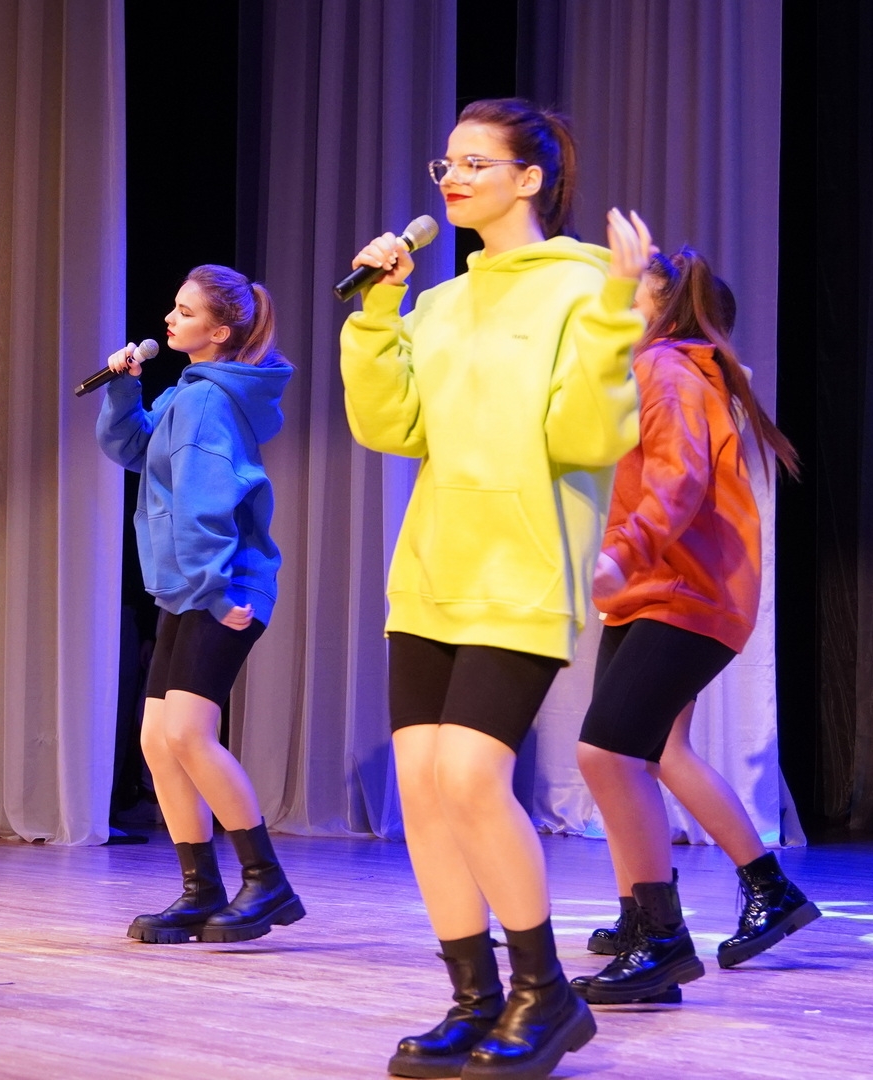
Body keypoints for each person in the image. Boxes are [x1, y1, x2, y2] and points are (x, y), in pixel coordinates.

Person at [341, 98, 652, 1079]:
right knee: (423, 787)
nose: (453, 178)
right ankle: (474, 996)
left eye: (477, 162)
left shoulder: (583, 287)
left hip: (523, 567)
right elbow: (390, 427)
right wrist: (377, 313)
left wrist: (618, 315)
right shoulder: (439, 303)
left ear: (530, 179)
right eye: (448, 162)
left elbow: (586, 435)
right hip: (433, 567)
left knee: (474, 776)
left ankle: (543, 992)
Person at [569, 248, 816, 1006]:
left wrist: (622, 552)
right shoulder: (675, 370)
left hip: (680, 592)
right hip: (661, 591)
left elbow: (679, 480)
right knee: (651, 754)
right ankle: (702, 903)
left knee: (609, 754)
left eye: (631, 294)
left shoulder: (668, 369)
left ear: (664, 309)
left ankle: (660, 934)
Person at [96, 265, 301, 947]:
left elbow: (206, 502)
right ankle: (199, 888)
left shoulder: (208, 401)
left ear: (219, 332)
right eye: (174, 308)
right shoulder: (188, 392)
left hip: (224, 584)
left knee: (187, 733)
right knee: (158, 737)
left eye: (185, 312)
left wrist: (214, 589)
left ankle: (265, 880)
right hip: (191, 586)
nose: (169, 319)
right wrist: (123, 388)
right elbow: (131, 447)